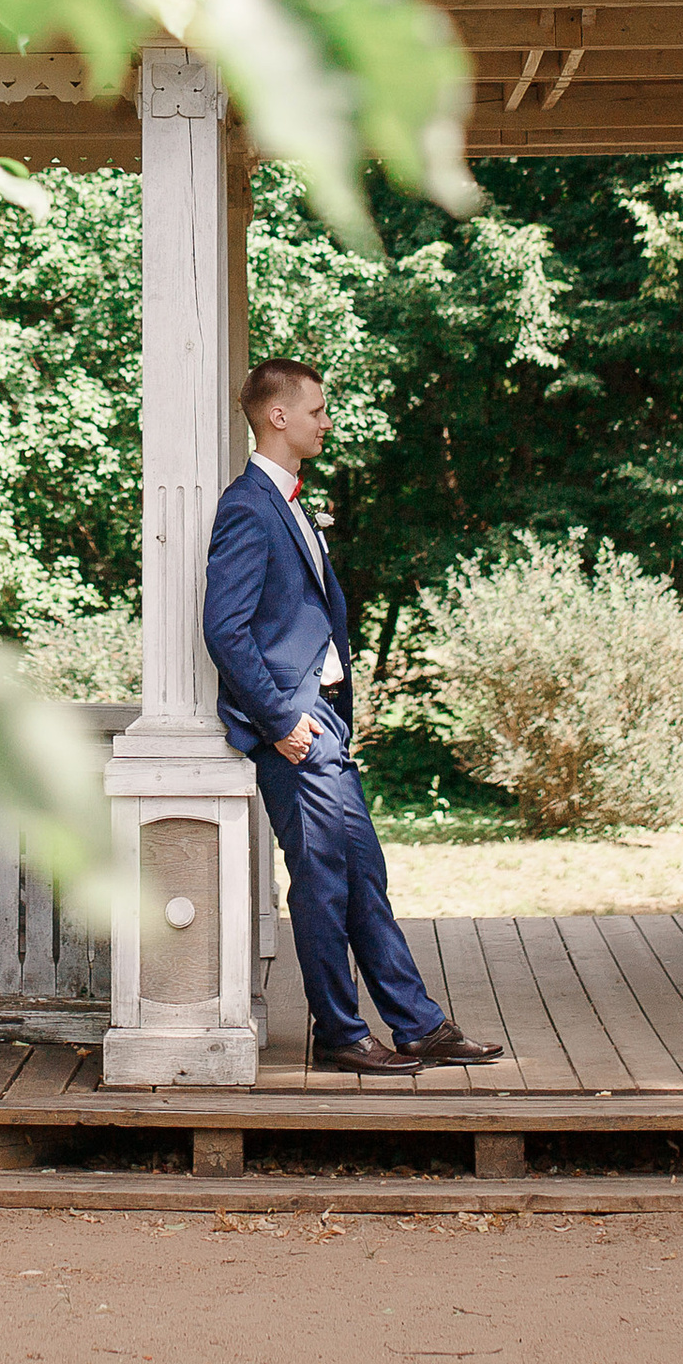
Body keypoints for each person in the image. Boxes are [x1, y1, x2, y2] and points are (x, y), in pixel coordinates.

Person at [201, 358, 501, 1074]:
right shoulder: (248, 506)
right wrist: (279, 719)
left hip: (325, 721)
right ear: (278, 417)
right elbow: (225, 628)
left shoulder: (291, 502)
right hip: (295, 729)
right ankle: (338, 1031)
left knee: (364, 875)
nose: (325, 422)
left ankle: (417, 1024)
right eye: (316, 411)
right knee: (325, 882)